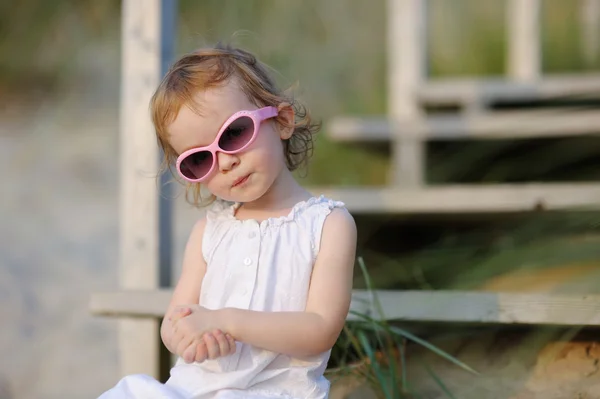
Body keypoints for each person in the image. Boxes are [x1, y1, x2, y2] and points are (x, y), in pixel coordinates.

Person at [98, 43, 357, 399]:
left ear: (281, 121)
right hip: (193, 389)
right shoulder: (209, 232)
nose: (224, 162)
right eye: (199, 159)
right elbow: (177, 319)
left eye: (234, 134)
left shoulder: (327, 224)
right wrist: (188, 338)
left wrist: (225, 321)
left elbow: (320, 330)